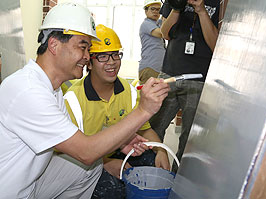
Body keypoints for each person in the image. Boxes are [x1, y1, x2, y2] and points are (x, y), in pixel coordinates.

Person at [0, 3, 170, 198]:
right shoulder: (28, 90)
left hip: (30, 183)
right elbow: (85, 150)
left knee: (89, 166)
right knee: (89, 159)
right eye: (83, 47)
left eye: (89, 49)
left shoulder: (51, 89)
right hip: (9, 192)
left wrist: (120, 143)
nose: (87, 57)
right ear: (54, 45)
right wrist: (144, 110)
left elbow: (65, 144)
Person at [61, 24, 170, 199]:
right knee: (113, 190)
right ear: (88, 62)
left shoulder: (128, 91)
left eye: (115, 54)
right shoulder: (73, 100)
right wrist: (106, 163)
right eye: (102, 56)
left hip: (122, 150)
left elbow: (144, 129)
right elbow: (70, 153)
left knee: (151, 163)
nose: (111, 62)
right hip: (85, 161)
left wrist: (161, 151)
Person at [149, 0, 222, 173]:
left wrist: (201, 10)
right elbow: (165, 33)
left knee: (190, 141)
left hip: (199, 80)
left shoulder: (220, 3)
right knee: (154, 128)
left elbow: (216, 44)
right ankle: (150, 173)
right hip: (169, 75)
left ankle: (176, 180)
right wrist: (177, 7)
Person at [138, 0, 166, 85]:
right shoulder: (146, 24)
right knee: (149, 96)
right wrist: (165, 17)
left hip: (158, 68)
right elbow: (162, 33)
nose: (155, 12)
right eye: (152, 9)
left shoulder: (158, 23)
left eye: (158, 10)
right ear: (146, 11)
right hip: (150, 68)